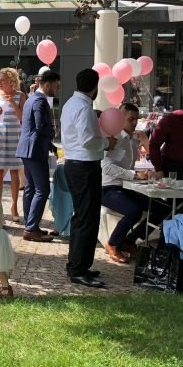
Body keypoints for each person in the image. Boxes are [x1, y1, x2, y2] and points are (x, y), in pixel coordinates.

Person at [60, 68, 114, 288]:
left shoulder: (70, 104)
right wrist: (107, 143)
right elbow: (88, 140)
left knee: (82, 216)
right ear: (95, 87)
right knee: (87, 218)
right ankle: (78, 268)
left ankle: (78, 263)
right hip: (84, 166)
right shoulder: (83, 108)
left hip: (76, 165)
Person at [101, 103, 171, 261]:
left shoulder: (133, 138)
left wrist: (145, 141)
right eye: (130, 119)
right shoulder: (113, 137)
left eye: (136, 119)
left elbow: (151, 155)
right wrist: (134, 175)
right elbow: (105, 166)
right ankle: (112, 243)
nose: (134, 123)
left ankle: (129, 240)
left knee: (163, 208)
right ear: (120, 119)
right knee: (134, 211)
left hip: (127, 187)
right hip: (107, 188)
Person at [17, 71, 61, 241]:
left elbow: (30, 126)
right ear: (47, 84)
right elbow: (41, 125)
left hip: (28, 149)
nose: (57, 90)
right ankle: (30, 228)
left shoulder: (31, 98)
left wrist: (49, 144)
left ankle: (31, 224)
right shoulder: (40, 101)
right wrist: (53, 131)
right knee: (43, 189)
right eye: (56, 86)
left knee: (31, 189)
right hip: (35, 150)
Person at [0, 67, 26, 221]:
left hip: (15, 137)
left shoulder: (21, 95)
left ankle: (14, 206)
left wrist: (12, 103)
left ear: (11, 81)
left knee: (15, 172)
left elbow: (23, 117)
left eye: (2, 80)